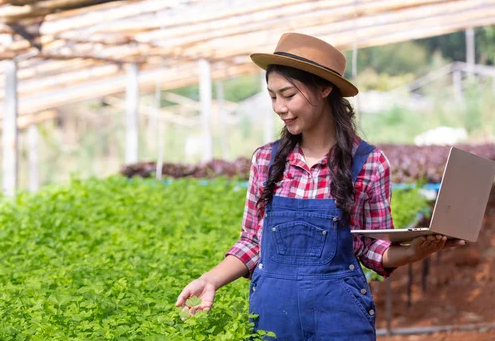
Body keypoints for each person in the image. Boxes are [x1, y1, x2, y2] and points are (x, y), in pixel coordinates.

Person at [175, 33, 465, 340]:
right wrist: (210, 280)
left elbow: (373, 247)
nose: (279, 107)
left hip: (338, 321)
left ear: (325, 88)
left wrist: (414, 252)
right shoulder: (265, 160)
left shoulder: (368, 162)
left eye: (288, 95)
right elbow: (252, 243)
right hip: (275, 321)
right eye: (273, 96)